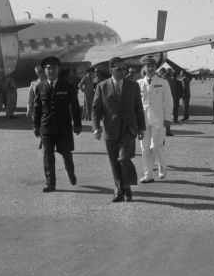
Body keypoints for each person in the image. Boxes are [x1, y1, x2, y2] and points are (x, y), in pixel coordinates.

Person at [91, 57, 145, 202]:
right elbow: (95, 110)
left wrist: (141, 128)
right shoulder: (102, 86)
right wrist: (96, 128)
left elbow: (138, 108)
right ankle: (119, 190)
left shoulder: (133, 85)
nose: (123, 71)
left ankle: (127, 186)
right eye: (119, 69)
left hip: (128, 128)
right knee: (114, 163)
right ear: (111, 70)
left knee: (124, 158)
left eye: (124, 68)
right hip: (110, 129)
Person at [33, 57, 82, 192]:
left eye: (54, 67)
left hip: (63, 128)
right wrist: (35, 126)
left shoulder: (67, 86)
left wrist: (77, 124)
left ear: (58, 69)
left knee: (66, 155)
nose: (52, 70)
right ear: (45, 71)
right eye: (49, 68)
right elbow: (37, 108)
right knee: (48, 157)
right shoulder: (40, 86)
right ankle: (50, 183)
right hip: (47, 127)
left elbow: (75, 106)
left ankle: (71, 173)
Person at [137, 55, 173, 182]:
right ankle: (148, 174)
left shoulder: (163, 82)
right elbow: (136, 104)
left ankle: (162, 167)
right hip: (143, 120)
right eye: (148, 66)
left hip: (159, 119)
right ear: (144, 68)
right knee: (145, 148)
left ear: (155, 67)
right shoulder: (139, 84)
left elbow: (168, 101)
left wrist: (168, 117)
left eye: (152, 66)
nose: (150, 68)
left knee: (156, 145)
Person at [158, 68, 174, 136]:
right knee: (167, 114)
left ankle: (165, 131)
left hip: (162, 99)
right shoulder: (168, 79)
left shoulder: (162, 79)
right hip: (167, 98)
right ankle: (167, 131)